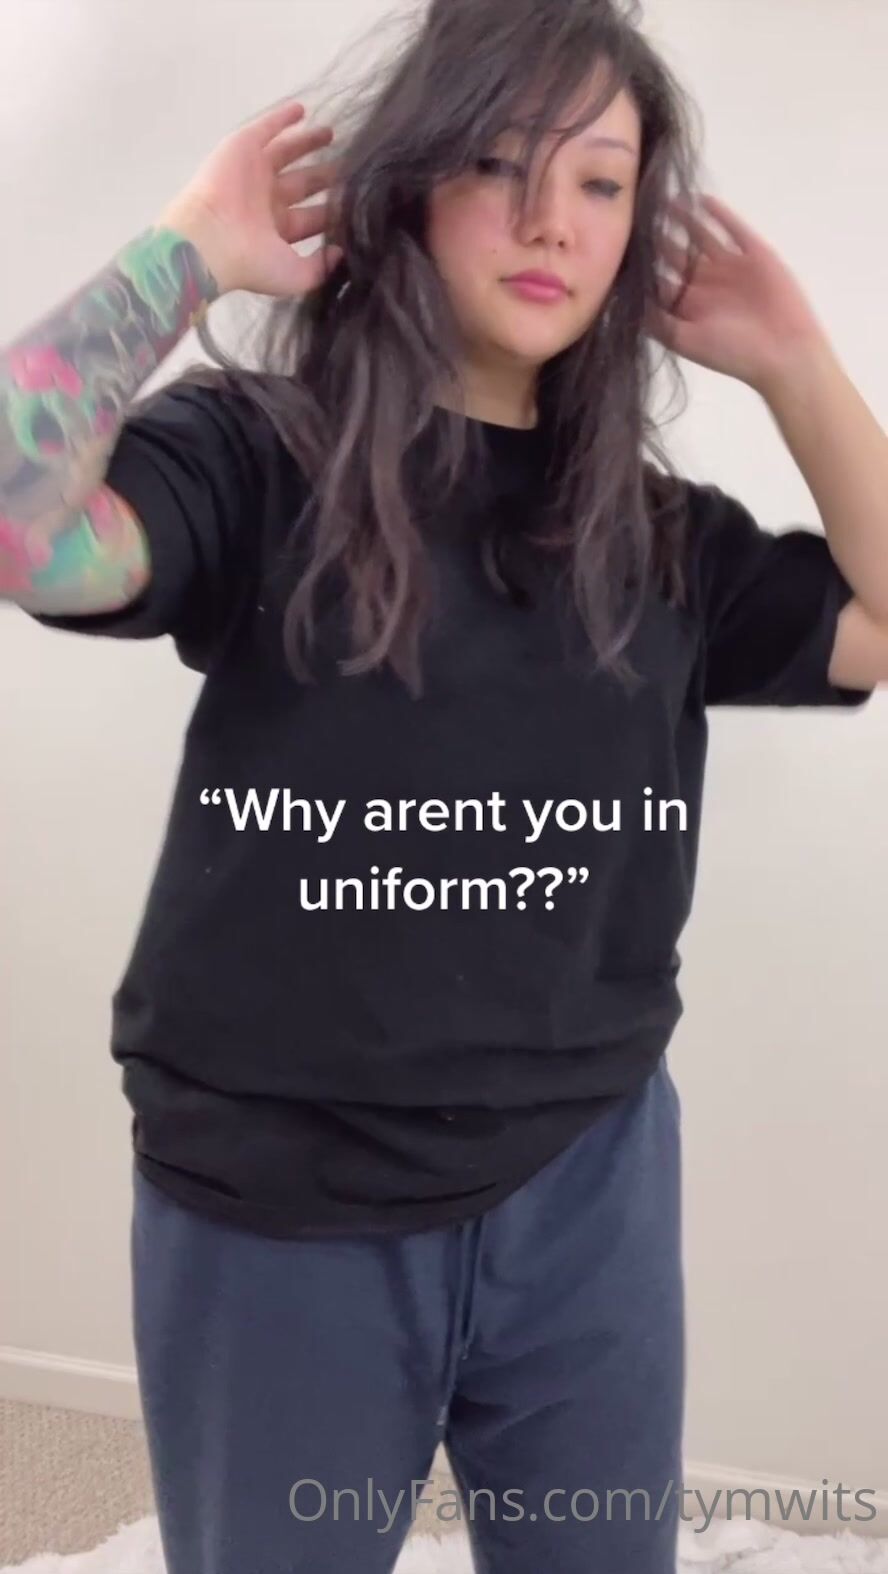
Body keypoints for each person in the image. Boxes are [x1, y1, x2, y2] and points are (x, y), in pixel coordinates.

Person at [2, 1, 884, 1570]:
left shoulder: (657, 536)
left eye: (601, 182)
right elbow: (22, 524)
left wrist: (796, 362)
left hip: (588, 1177)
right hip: (281, 1196)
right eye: (500, 162)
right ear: (410, 184)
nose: (554, 219)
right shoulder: (262, 454)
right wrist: (187, 252)